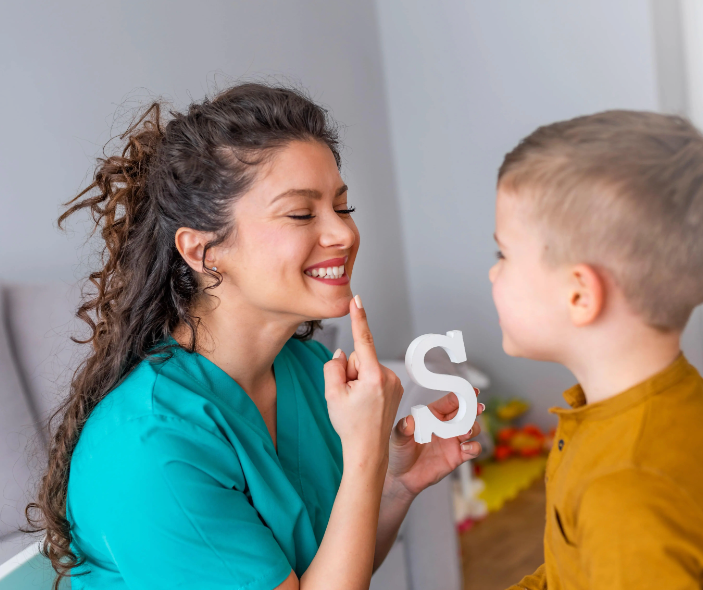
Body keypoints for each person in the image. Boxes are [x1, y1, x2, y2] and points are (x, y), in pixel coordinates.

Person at [26, 82, 483, 590]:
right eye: (301, 213)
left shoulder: (309, 371)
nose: (344, 234)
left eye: (343, 207)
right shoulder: (152, 446)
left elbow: (326, 573)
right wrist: (365, 456)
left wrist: (395, 484)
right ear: (203, 251)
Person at [489, 111, 703, 589]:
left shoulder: (626, 490)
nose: (493, 273)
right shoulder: (666, 396)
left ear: (580, 294)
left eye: (503, 255)